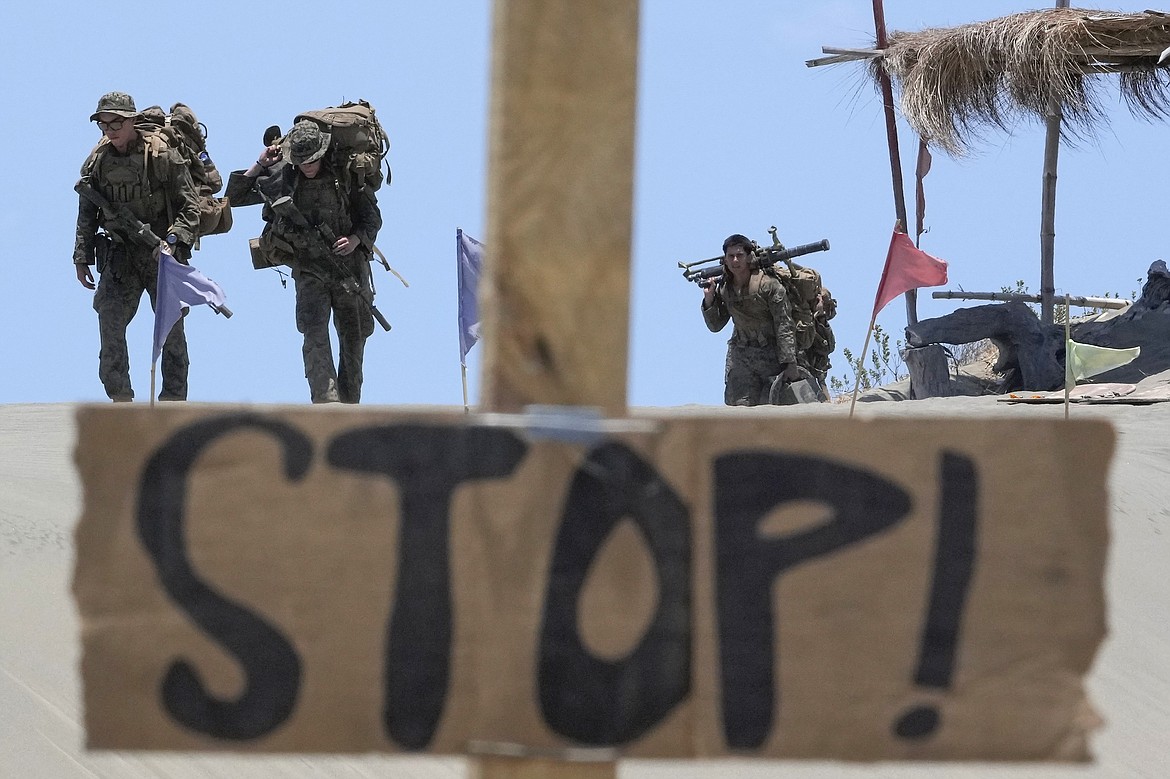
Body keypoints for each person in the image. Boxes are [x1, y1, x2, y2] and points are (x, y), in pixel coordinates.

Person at [226, 120, 383, 403]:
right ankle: (326, 400)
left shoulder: (344, 176)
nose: (307, 166)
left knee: (354, 337)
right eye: (301, 161)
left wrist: (356, 240)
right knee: (314, 333)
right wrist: (260, 164)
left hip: (349, 269)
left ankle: (350, 401)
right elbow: (233, 198)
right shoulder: (283, 177)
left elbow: (371, 218)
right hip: (310, 270)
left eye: (311, 160)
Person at [73, 92, 201, 402]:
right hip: (120, 255)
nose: (110, 130)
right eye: (104, 124)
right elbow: (87, 211)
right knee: (110, 320)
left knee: (170, 328)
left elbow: (191, 207)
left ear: (132, 120)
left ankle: (173, 401)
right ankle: (121, 401)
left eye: (116, 122)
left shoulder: (161, 156)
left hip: (161, 254)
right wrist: (81, 255)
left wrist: (173, 240)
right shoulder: (98, 161)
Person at [700, 233, 805, 406]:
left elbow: (784, 325)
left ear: (749, 257)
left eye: (739, 255)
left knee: (770, 411)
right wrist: (709, 300)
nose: (735, 260)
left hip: (771, 358)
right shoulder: (725, 288)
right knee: (739, 411)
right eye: (730, 256)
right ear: (725, 259)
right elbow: (715, 325)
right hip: (741, 358)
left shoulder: (769, 285)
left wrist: (790, 363)